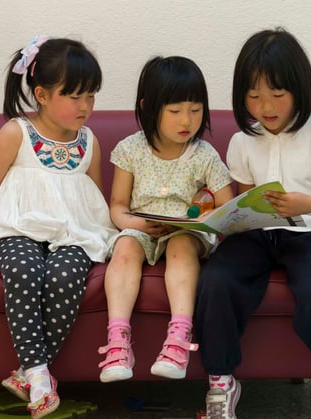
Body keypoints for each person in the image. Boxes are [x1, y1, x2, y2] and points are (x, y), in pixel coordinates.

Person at [195, 28, 311, 419]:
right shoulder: (242, 141)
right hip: (257, 236)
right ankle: (221, 382)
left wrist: (303, 204)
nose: (266, 106)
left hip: (309, 233)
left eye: (277, 94)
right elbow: (242, 199)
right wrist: (219, 215)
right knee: (217, 281)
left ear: (298, 88)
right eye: (254, 96)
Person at [0, 34, 117, 419]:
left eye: (91, 96)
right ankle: (40, 375)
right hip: (21, 227)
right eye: (74, 96)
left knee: (66, 276)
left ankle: (27, 373)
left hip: (74, 231)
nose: (85, 106)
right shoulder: (17, 133)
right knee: (24, 270)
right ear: (42, 95)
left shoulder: (89, 141)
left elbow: (94, 193)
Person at [98, 56, 233, 383]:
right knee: (126, 247)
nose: (187, 120)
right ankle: (117, 342)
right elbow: (116, 206)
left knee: (182, 246)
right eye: (175, 111)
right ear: (149, 108)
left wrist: (201, 217)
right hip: (141, 226)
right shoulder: (130, 150)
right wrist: (135, 224)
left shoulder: (204, 155)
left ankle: (179, 340)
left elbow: (228, 209)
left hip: (184, 232)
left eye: (196, 109)